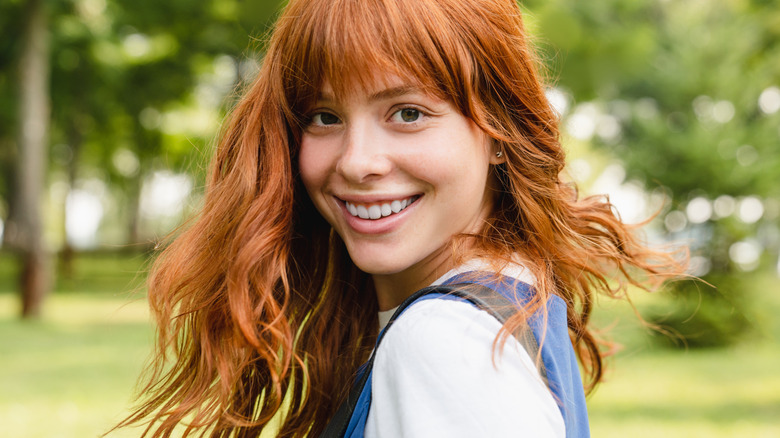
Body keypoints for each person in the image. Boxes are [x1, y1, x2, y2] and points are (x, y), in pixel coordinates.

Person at [117, 0, 685, 437]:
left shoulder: (445, 343)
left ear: (499, 133)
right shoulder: (508, 298)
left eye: (408, 113)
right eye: (323, 116)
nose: (357, 161)